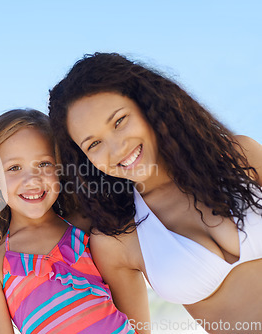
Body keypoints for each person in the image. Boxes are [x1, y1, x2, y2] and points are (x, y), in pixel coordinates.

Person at [48, 52, 262, 333]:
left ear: (148, 105)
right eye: (94, 144)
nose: (117, 149)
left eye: (119, 121)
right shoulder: (118, 241)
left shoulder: (241, 156)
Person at [0, 109, 136, 333]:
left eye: (43, 164)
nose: (32, 180)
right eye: (14, 168)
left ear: (60, 168)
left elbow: (132, 313)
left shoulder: (87, 228)